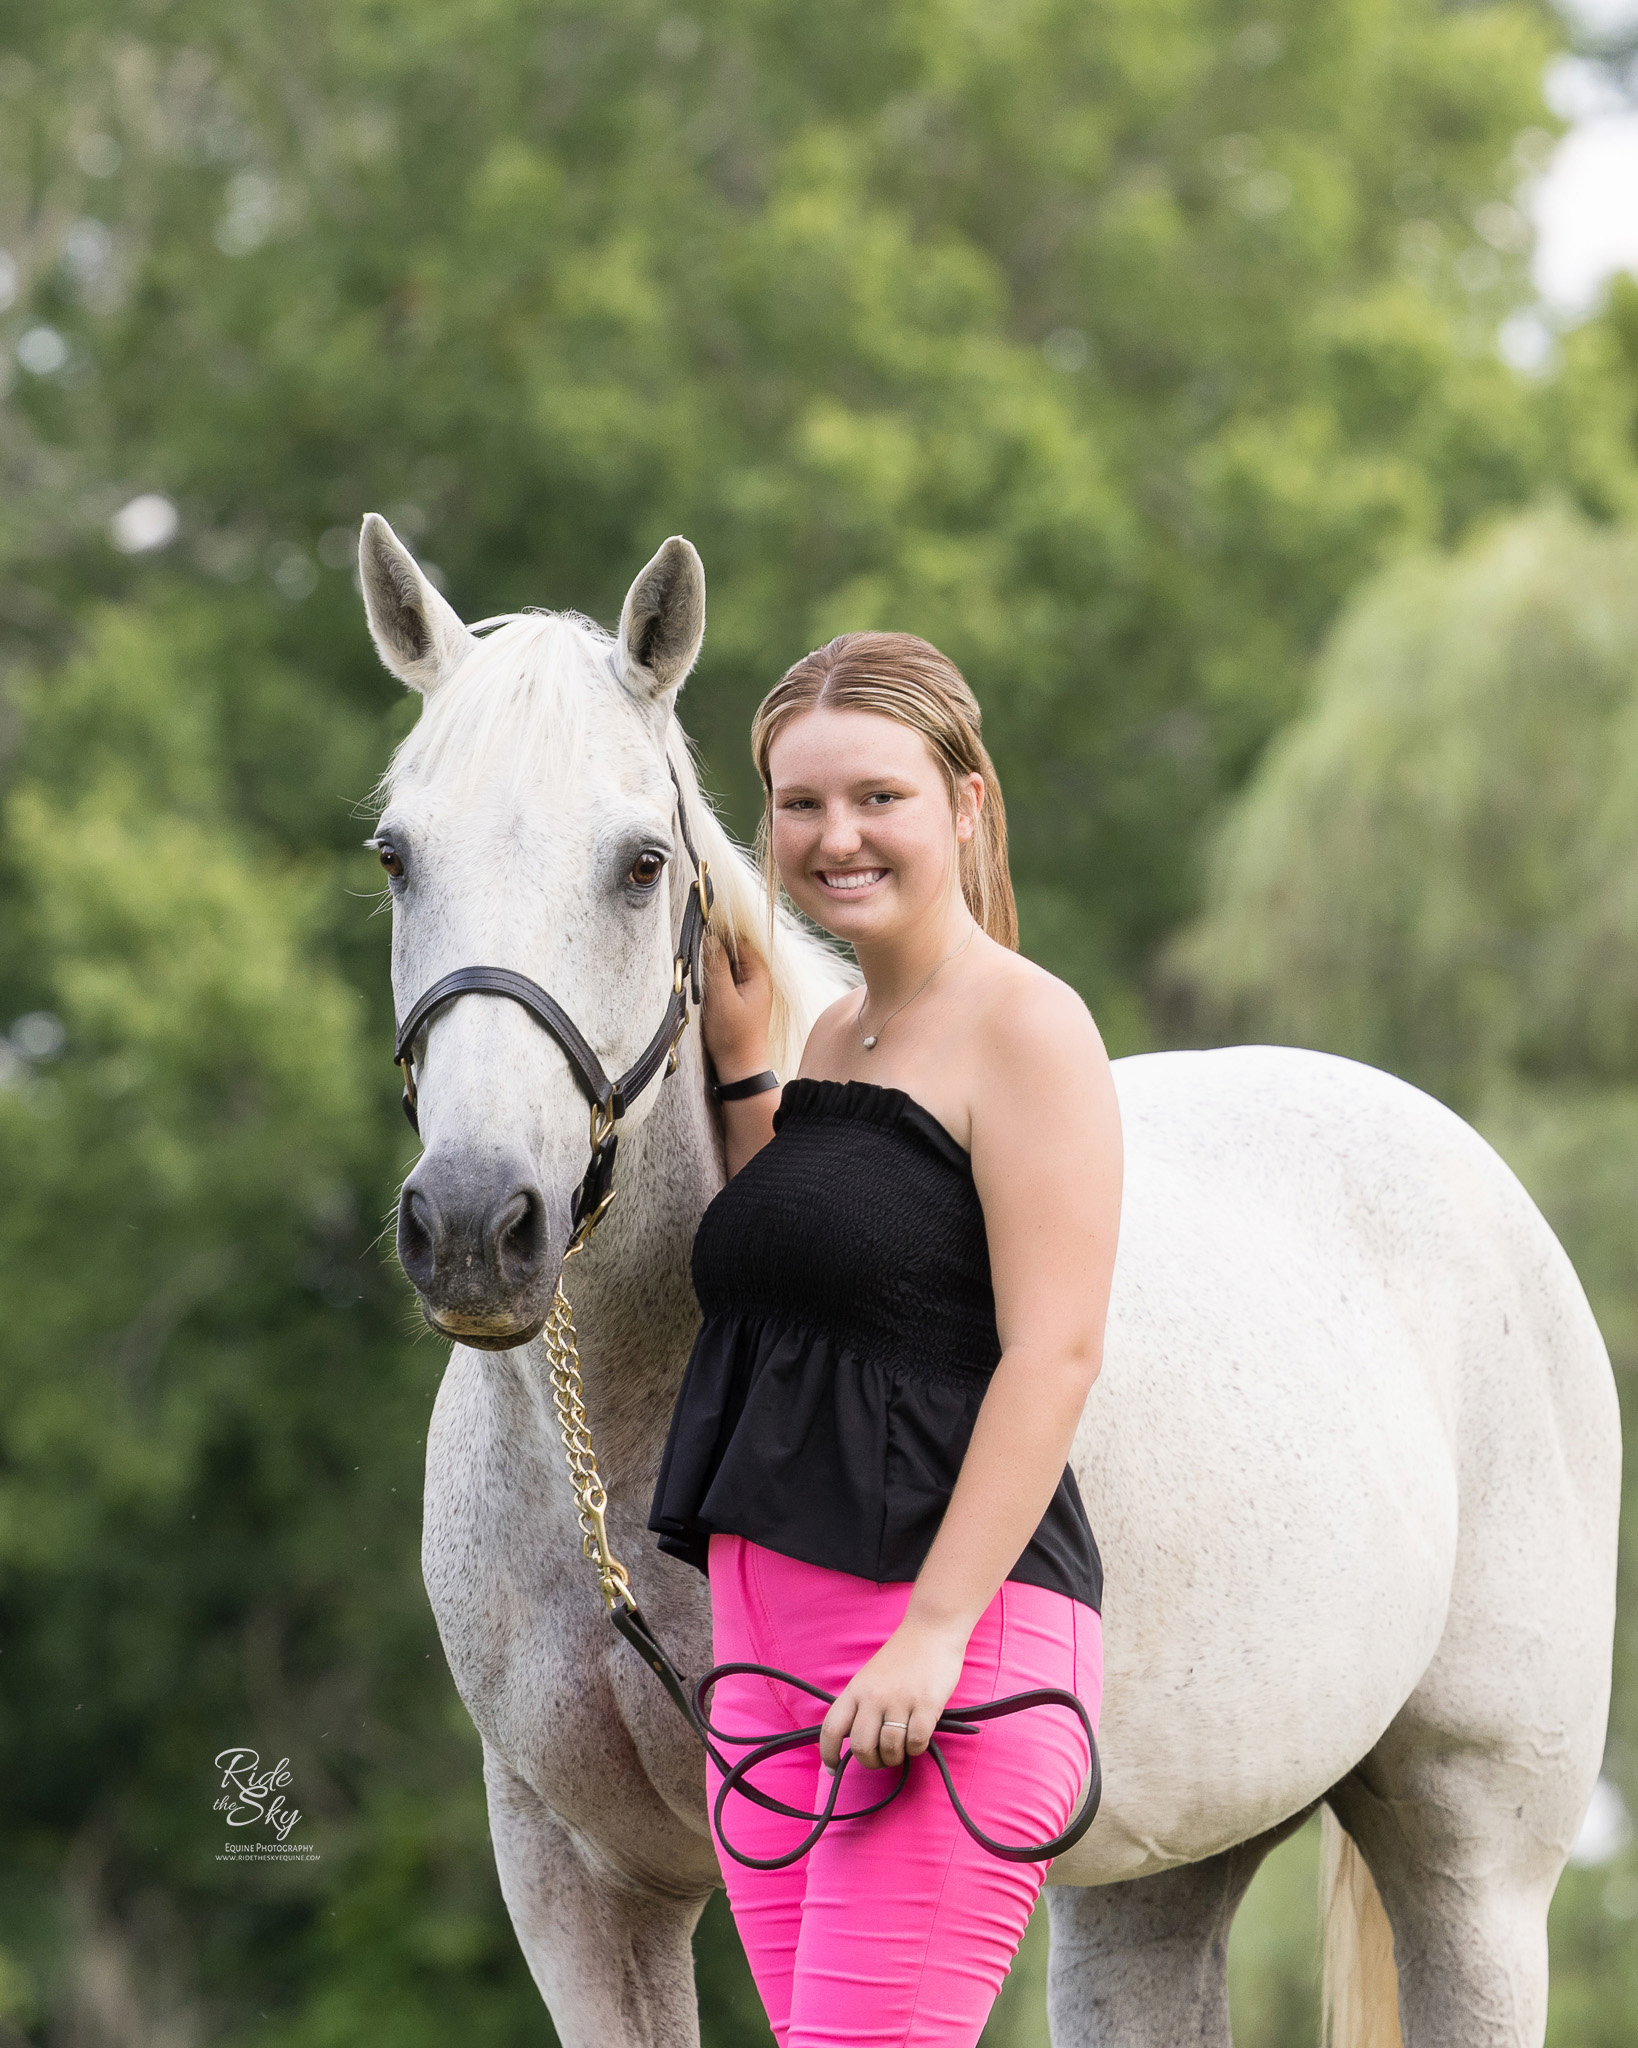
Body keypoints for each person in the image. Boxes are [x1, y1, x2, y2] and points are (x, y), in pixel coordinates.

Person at [648, 631, 1123, 2048]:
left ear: (965, 804)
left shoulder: (1025, 1028)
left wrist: (929, 1635)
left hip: (940, 1652)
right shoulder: (837, 1032)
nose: (832, 837)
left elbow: (1055, 1353)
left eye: (877, 797)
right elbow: (798, 1281)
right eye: (798, 805)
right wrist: (746, 1072)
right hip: (771, 1653)